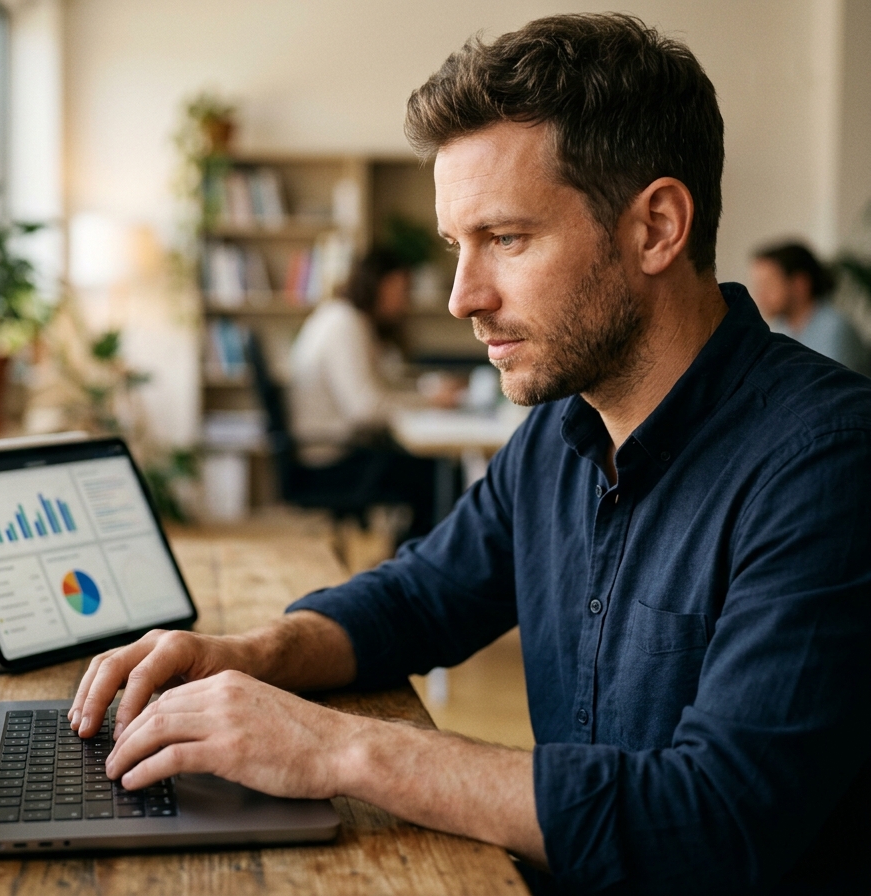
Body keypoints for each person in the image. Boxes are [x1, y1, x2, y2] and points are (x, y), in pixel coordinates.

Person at [71, 14, 870, 895]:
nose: (461, 297)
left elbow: (713, 820)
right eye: (459, 246)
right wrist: (251, 654)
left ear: (656, 228)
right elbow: (419, 596)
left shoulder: (828, 463)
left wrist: (339, 748)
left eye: (508, 239)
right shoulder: (559, 435)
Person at [287, 247, 454, 538]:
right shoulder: (345, 324)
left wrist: (419, 391)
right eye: (402, 290)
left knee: (428, 471)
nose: (405, 301)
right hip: (330, 459)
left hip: (332, 449)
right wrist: (428, 401)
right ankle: (414, 565)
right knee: (437, 474)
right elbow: (365, 408)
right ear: (382, 285)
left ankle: (411, 558)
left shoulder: (343, 317)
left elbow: (378, 386)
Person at [750, 240, 868, 373]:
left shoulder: (834, 329)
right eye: (759, 286)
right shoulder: (782, 328)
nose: (760, 295)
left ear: (799, 284)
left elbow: (829, 389)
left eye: (769, 285)